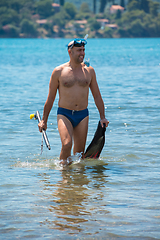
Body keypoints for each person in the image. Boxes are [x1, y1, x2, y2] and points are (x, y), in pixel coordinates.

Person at [38, 38, 109, 165]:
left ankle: (76, 182)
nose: (82, 53)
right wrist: (44, 120)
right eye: (79, 50)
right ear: (70, 52)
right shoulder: (58, 71)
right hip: (64, 114)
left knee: (79, 154)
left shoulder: (90, 71)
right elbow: (50, 98)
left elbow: (97, 96)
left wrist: (102, 117)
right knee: (66, 144)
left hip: (82, 115)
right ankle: (63, 176)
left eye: (83, 50)